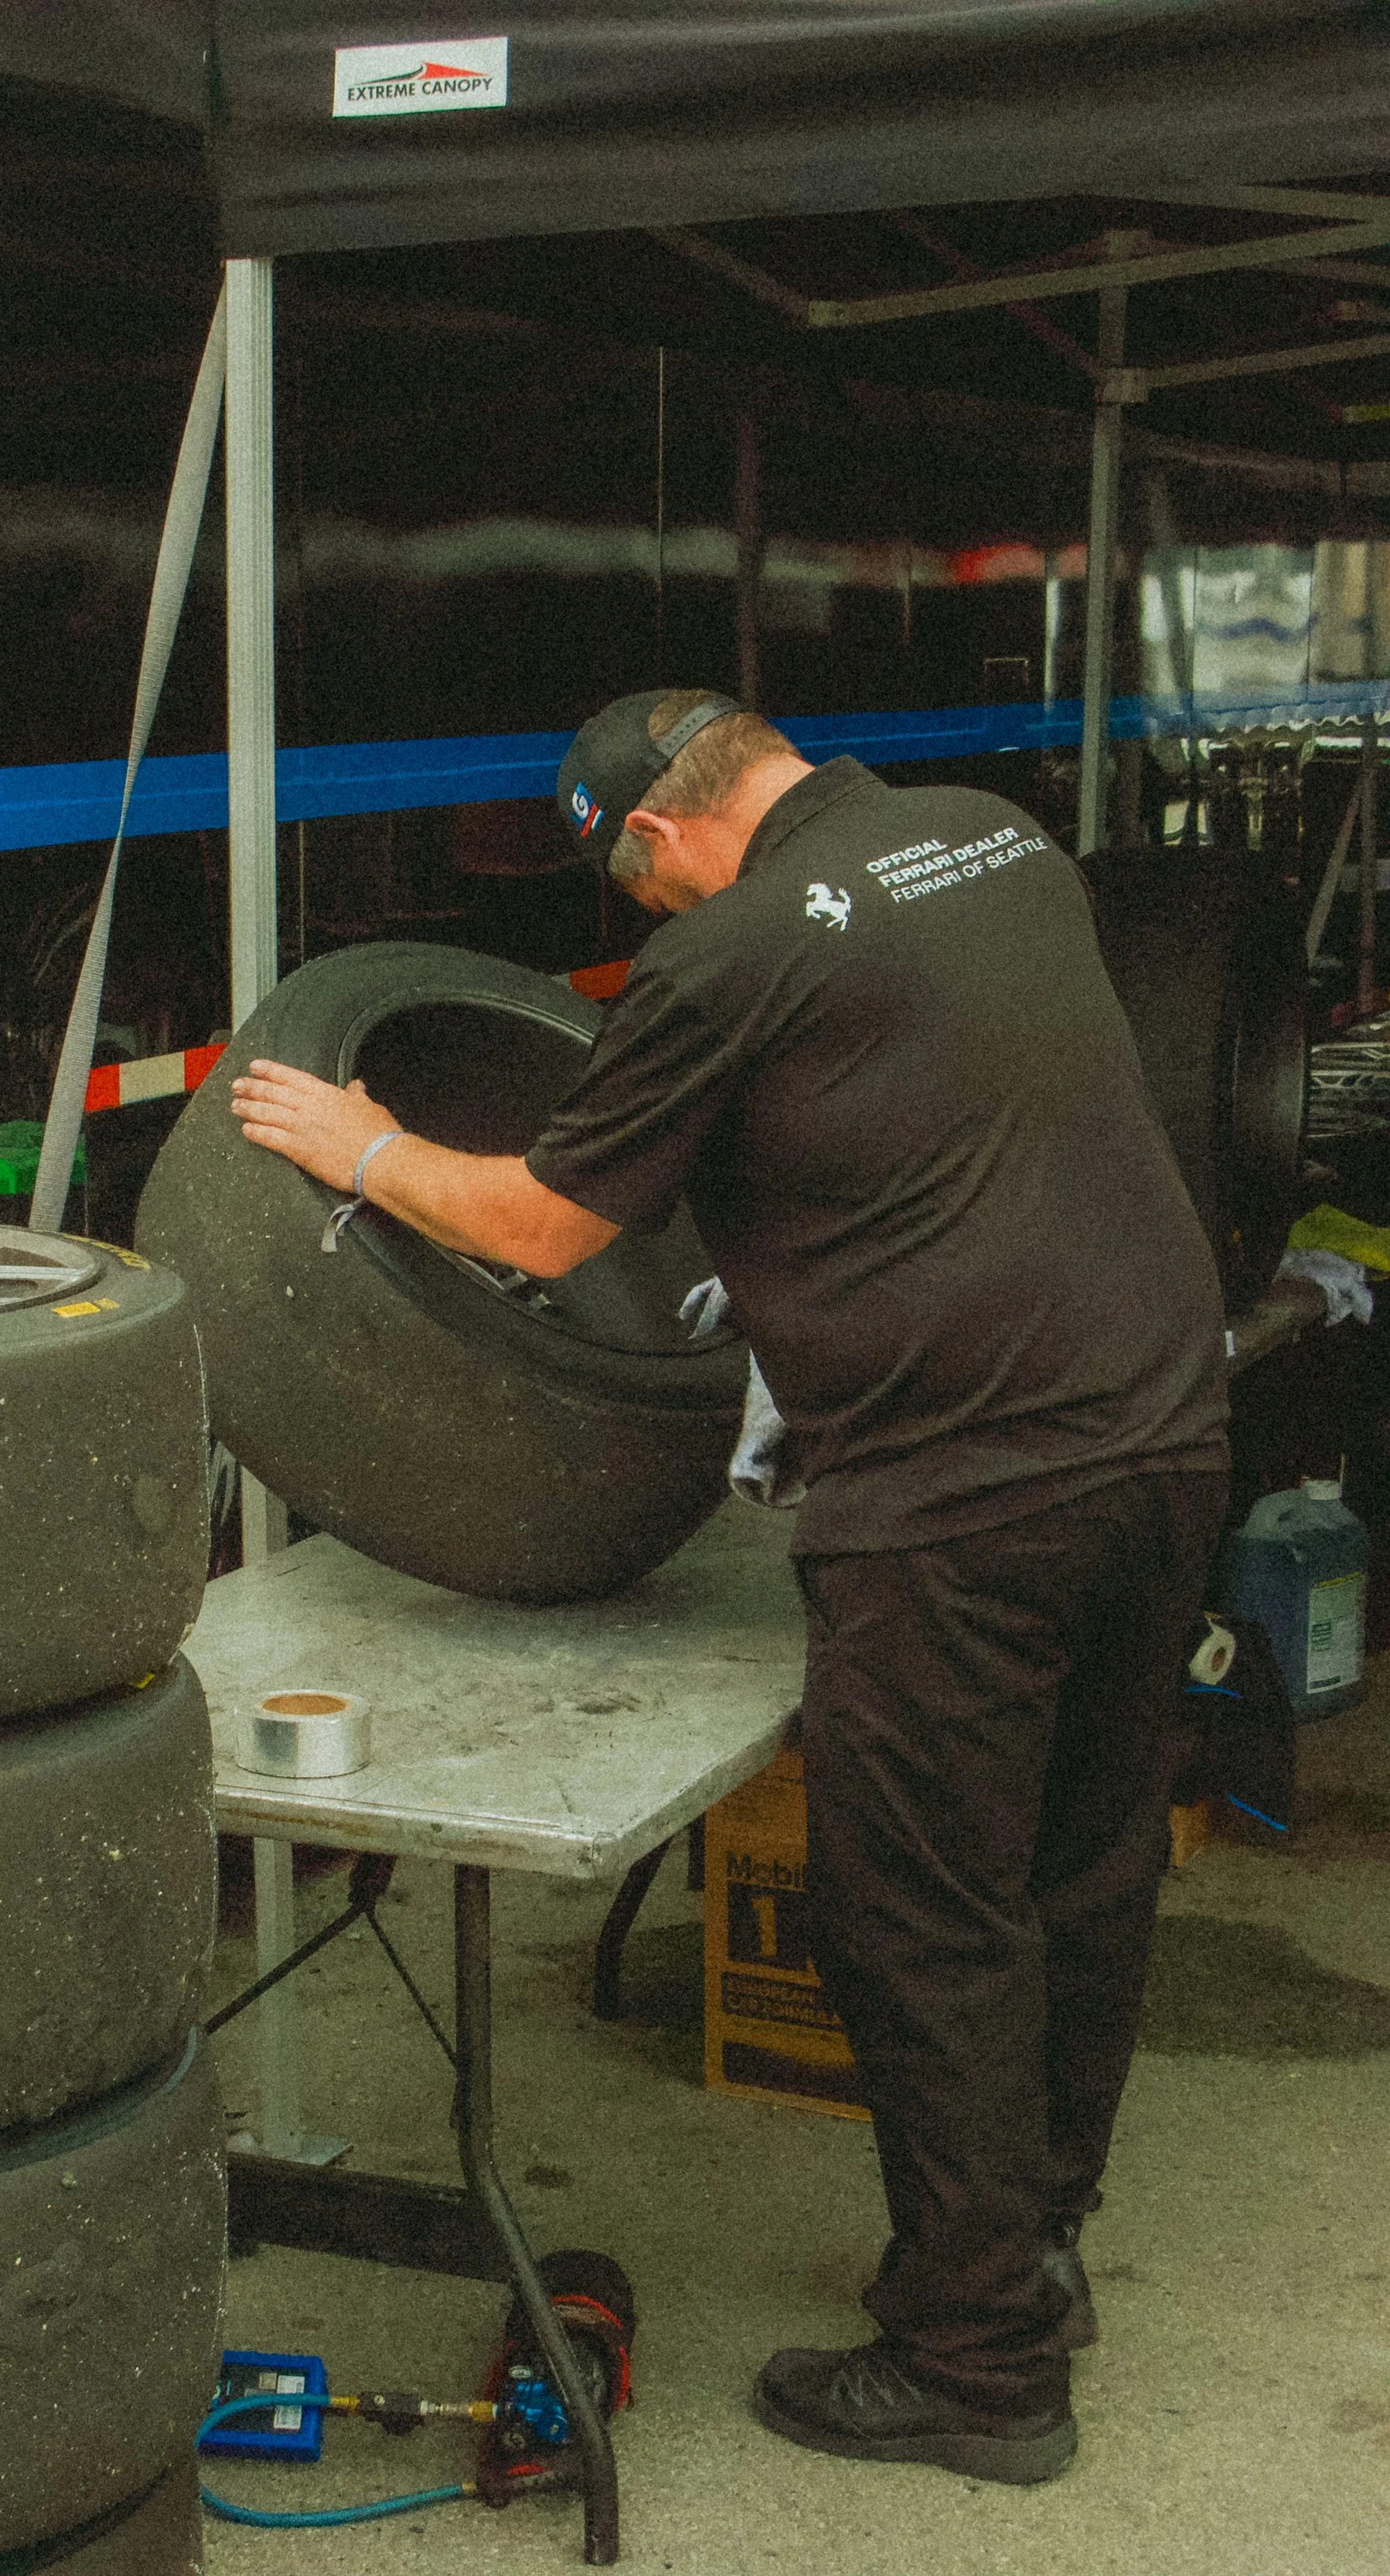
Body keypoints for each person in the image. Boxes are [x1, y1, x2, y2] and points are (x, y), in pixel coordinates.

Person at [229, 687, 1229, 2488]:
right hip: (1160, 1439)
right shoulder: (1001, 841)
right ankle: (1030, 2251)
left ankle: (979, 2367)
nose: (648, 924)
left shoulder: (731, 956)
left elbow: (542, 1226)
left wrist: (359, 1145)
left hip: (965, 1494)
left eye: (635, 889)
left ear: (658, 839)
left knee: (917, 1916)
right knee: (1079, 1865)